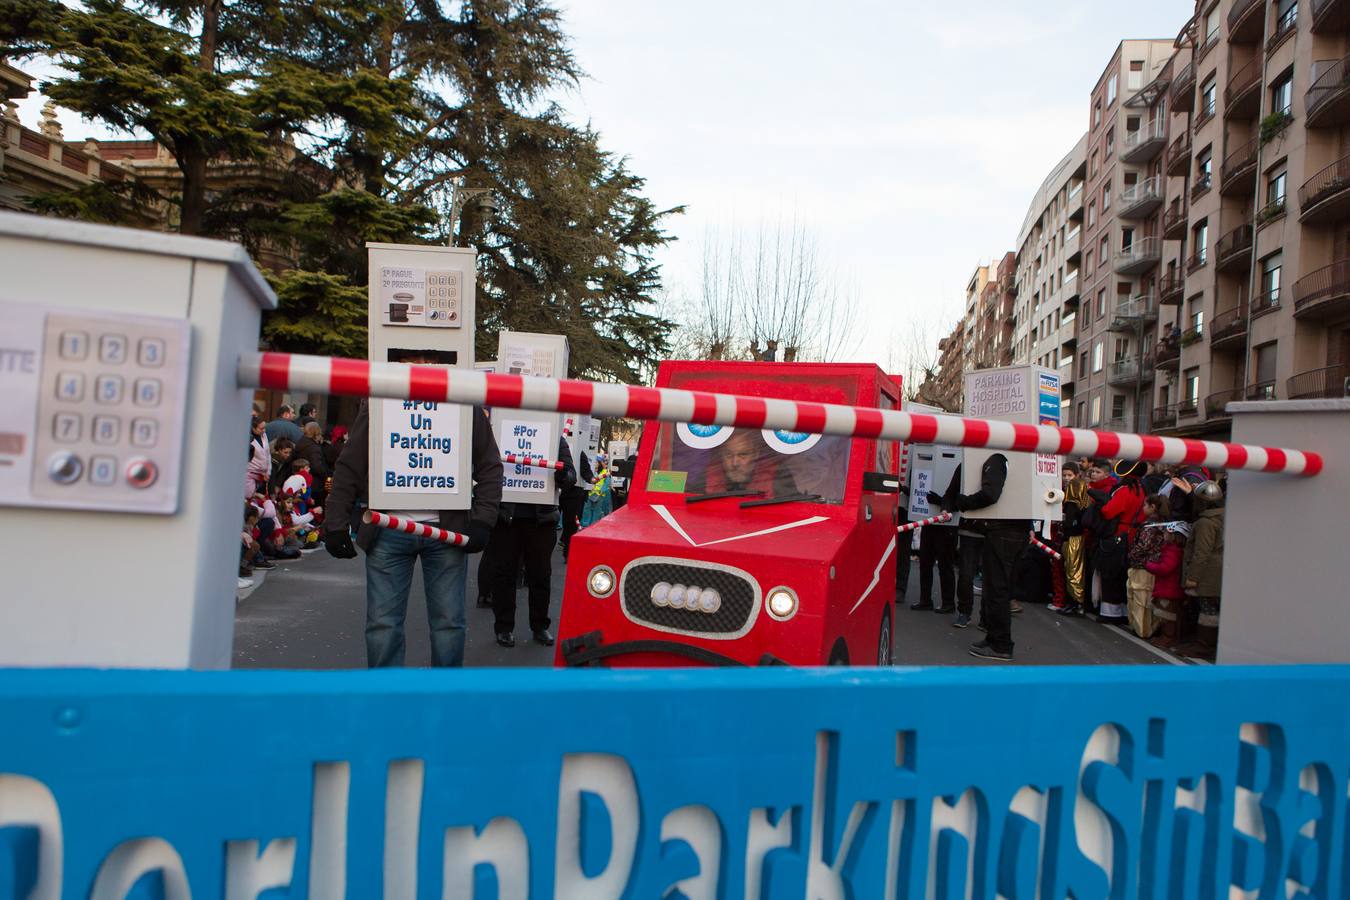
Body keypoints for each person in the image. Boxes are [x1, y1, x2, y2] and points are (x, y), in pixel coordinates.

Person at [323, 398, 502, 668]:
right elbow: (351, 464)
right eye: (413, 356)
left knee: (449, 624)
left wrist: (483, 520)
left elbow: (490, 465)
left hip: (446, 534)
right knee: (383, 625)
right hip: (387, 529)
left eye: (428, 357)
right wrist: (335, 523)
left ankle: (442, 699)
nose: (421, 364)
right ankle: (388, 701)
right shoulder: (378, 403)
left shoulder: (465, 406)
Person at [929, 453, 1027, 660]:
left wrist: (963, 502)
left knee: (996, 589)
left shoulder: (996, 459)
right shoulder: (1017, 460)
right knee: (994, 586)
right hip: (1007, 530)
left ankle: (1000, 644)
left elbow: (990, 494)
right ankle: (993, 637)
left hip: (1001, 530)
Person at [490, 436, 576, 648]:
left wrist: (563, 474)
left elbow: (571, 475)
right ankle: (503, 627)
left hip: (541, 521)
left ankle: (539, 626)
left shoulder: (555, 438)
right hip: (506, 519)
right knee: (504, 575)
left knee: (540, 575)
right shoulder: (501, 429)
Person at [1092, 459, 1148, 625]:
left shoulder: (1124, 490)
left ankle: (1111, 613)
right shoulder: (1143, 489)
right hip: (1135, 535)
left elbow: (1108, 512)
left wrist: (1101, 506)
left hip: (1119, 535)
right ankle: (1125, 611)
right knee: (1125, 575)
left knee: (1111, 574)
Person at [1180, 481, 1225, 660]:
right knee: (1210, 609)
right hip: (1216, 569)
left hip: (1209, 573)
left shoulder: (1206, 522)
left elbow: (1202, 552)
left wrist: (1193, 577)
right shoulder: (1221, 517)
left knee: (1208, 611)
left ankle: (1204, 646)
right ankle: (1203, 643)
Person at [1126, 494, 1170, 639]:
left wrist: (1131, 555)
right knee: (1149, 597)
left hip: (1142, 566)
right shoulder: (1166, 524)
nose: (1143, 508)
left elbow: (1142, 546)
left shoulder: (1150, 526)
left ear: (1152, 507)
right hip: (1156, 565)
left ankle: (1142, 629)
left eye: (1145, 505)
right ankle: (1150, 627)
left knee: (1140, 598)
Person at [1055, 464, 1093, 616]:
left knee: (1074, 570)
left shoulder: (1074, 504)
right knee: (1069, 569)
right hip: (1070, 538)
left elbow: (1072, 522)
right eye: (1064, 476)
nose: (1066, 479)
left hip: (1074, 539)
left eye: (1069, 476)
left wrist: (1065, 520)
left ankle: (1077, 603)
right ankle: (1073, 602)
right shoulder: (1072, 502)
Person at [1147, 521, 1190, 648]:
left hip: (1169, 589)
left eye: (1166, 532)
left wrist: (1150, 565)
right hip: (1170, 588)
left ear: (1173, 535)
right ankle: (1167, 636)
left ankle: (1168, 637)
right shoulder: (1174, 550)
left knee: (1168, 615)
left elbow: (1165, 568)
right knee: (1168, 614)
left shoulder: (1172, 551)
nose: (1164, 534)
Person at [560, 447, 593, 562]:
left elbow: (585, 471)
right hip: (561, 491)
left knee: (570, 524)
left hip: (572, 492)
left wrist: (591, 478)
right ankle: (566, 547)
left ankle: (567, 551)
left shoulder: (579, 451)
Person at [294, 421, 330, 505]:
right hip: (314, 483)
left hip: (300, 481)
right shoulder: (314, 448)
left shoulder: (301, 442)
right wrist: (326, 475)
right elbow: (317, 466)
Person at [247, 416, 270, 497]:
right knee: (250, 496)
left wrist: (268, 471)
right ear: (253, 428)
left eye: (264, 428)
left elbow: (267, 454)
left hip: (263, 475)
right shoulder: (247, 439)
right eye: (261, 428)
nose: (264, 430)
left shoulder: (264, 435)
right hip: (250, 474)